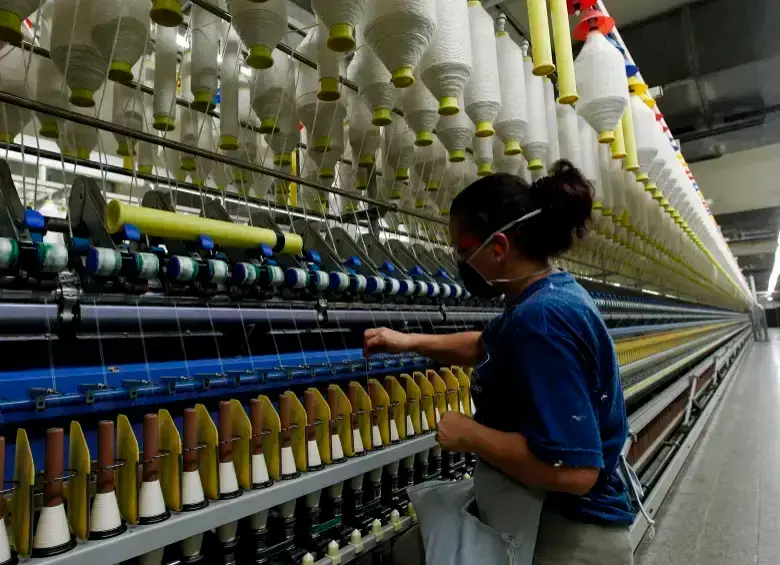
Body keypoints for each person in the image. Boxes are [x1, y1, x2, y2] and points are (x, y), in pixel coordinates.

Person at [364, 161, 637, 564]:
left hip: (569, 537)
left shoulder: (541, 320)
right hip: (545, 517)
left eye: (463, 250)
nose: (460, 261)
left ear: (499, 248)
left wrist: (470, 435)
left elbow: (577, 474)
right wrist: (405, 341)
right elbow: (486, 344)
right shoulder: (546, 295)